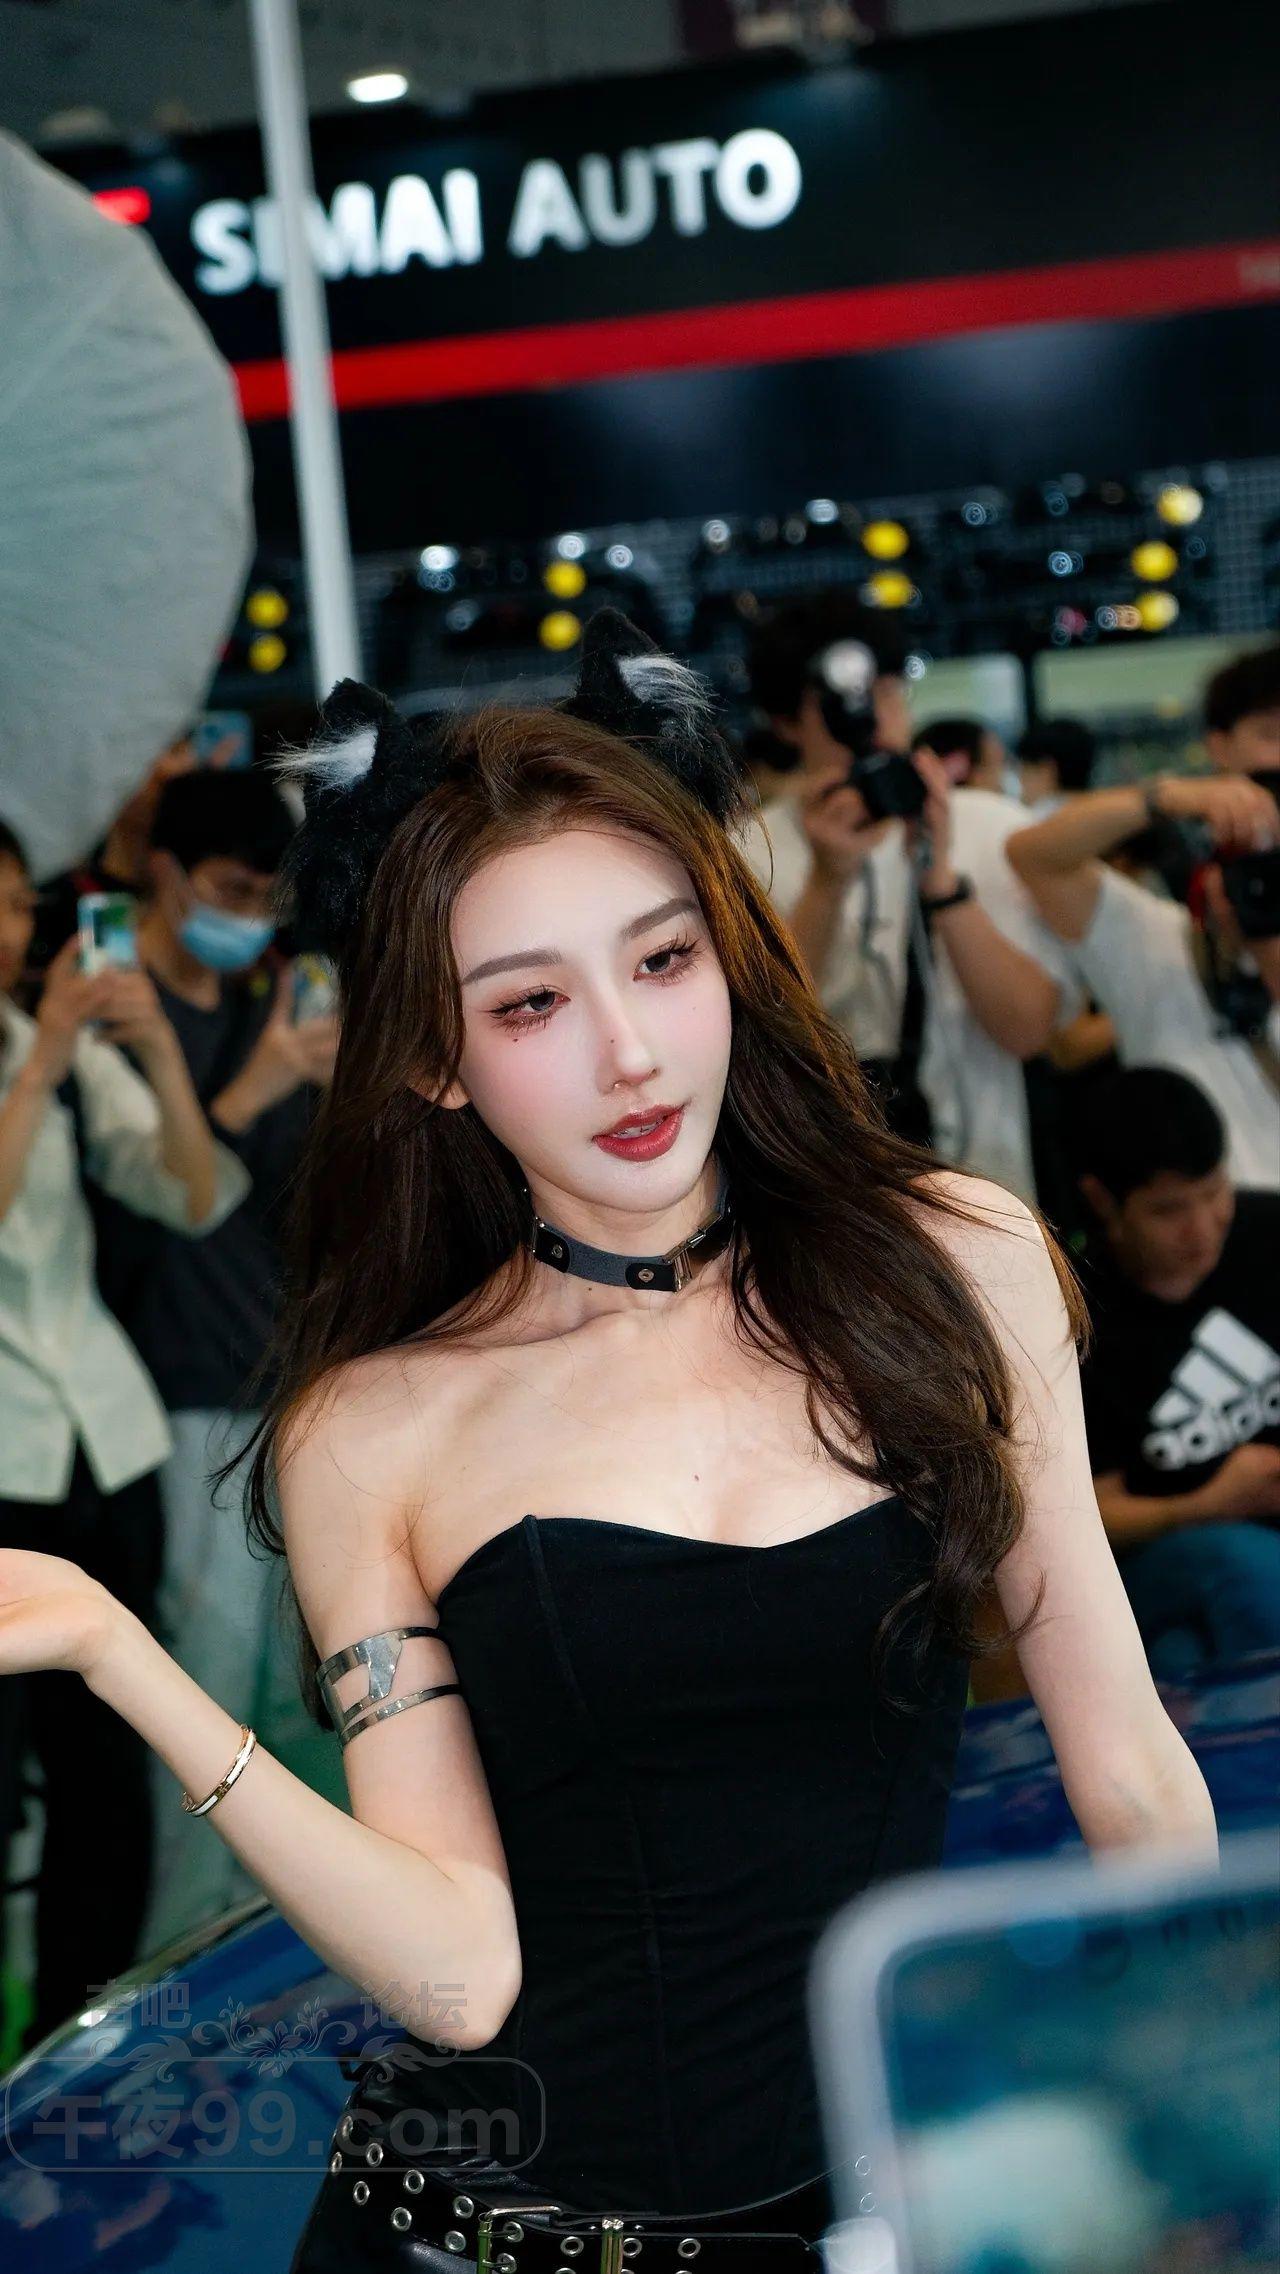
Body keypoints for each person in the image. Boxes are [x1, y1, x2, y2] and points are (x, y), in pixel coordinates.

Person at [0, 615, 1215, 2270]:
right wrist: (115, 1647)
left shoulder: (958, 1262)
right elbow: (457, 1978)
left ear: (730, 954)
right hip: (473, 2235)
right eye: (530, 1002)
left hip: (859, 2219)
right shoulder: (373, 1425)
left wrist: (1192, 2120)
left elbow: (1129, 1768)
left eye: (661, 960)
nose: (630, 1051)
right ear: (432, 1057)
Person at [0, 817, 249, 2051]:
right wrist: (48, 1053)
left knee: (109, 1777)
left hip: (107, 1442)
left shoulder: (40, 1043)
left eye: (11, 906)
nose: (3, 933)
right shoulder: (36, 1050)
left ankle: (79, 2044)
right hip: (8, 1459)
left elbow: (193, 1194)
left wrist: (150, 1051)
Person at [86, 767, 338, 1952]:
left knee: (303, 1691)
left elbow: (296, 1212)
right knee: (202, 1695)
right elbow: (141, 1216)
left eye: (264, 899)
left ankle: (309, 1938)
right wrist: (256, 1086)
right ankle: (179, 1960)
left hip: (295, 1383)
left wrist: (328, 1094)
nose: (249, 918)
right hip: (179, 1391)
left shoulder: (280, 998)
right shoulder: (102, 1015)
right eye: (232, 891)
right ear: (166, 873)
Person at [738, 596, 1079, 1200]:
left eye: (889, 693)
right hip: (829, 1200)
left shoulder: (989, 825)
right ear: (786, 721)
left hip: (990, 1188)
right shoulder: (742, 853)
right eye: (843, 700)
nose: (873, 717)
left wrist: (942, 883)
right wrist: (827, 881)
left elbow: (1029, 1029)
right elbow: (759, 1038)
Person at [1007, 643, 1280, 1191]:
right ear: (1218, 746)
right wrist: (1168, 797)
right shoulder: (1162, 939)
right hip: (1213, 1229)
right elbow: (1035, 856)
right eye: (1270, 733)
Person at [1071, 1065, 1280, 1679]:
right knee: (1241, 1566)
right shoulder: (1074, 1317)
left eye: (1215, 1193)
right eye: (1169, 1210)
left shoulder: (1268, 1235)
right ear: (1104, 1201)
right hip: (1164, 1553)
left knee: (1180, 1662)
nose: (1203, 1227)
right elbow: (1083, 1516)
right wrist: (1208, 1503)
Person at [1016, 717, 1097, 816]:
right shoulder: (1100, 811)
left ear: (1046, 771)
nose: (1020, 779)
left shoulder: (1034, 818)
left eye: (1025, 769)